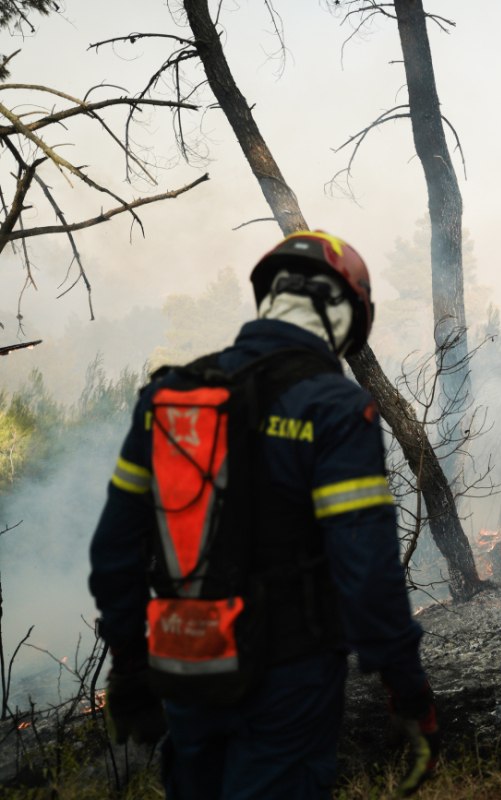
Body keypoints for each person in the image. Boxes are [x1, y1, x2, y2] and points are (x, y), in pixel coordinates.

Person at [89, 230, 438, 799]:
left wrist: (129, 667)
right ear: (346, 316)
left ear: (269, 298)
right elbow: (366, 568)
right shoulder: (334, 406)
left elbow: (114, 553)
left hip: (186, 666)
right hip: (288, 675)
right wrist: (408, 688)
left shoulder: (170, 398)